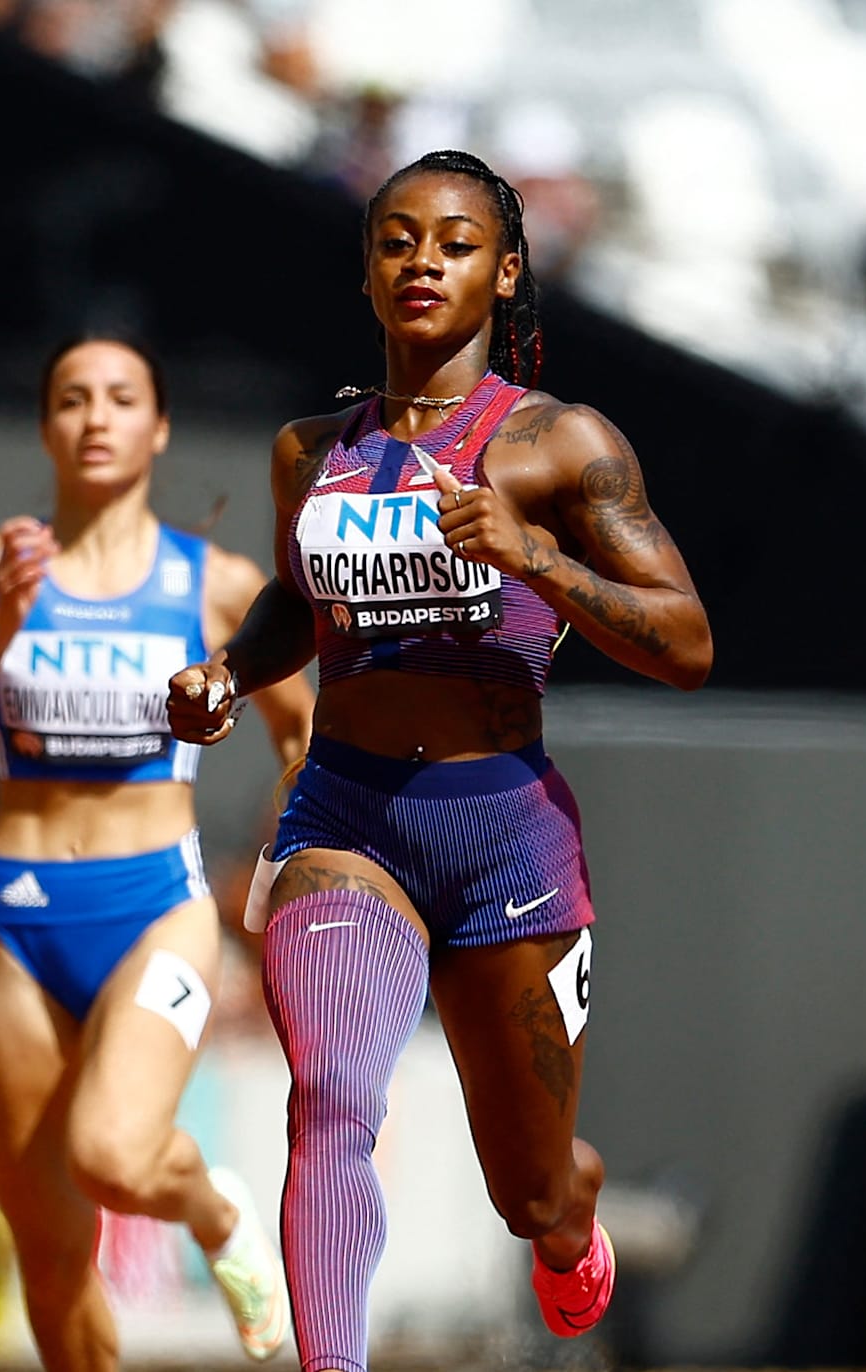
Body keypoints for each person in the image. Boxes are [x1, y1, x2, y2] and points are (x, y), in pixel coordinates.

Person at [164, 149, 712, 1369]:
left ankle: (573, 1221)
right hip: (345, 821)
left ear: (505, 272)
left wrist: (537, 559)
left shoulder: (560, 448)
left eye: (455, 242)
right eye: (398, 240)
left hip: (503, 835)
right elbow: (297, 612)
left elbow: (687, 641)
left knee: (528, 1187)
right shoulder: (310, 452)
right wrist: (229, 675)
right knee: (333, 1100)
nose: (423, 262)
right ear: (365, 273)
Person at [0, 336, 313, 1368]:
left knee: (115, 1156)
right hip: (18, 919)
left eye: (121, 398)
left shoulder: (214, 583)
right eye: (72, 399)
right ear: (45, 427)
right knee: (47, 1246)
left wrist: (282, 875)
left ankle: (210, 1201)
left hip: (154, 903)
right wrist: (1, 628)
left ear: (157, 426)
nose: (95, 417)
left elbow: (304, 735)